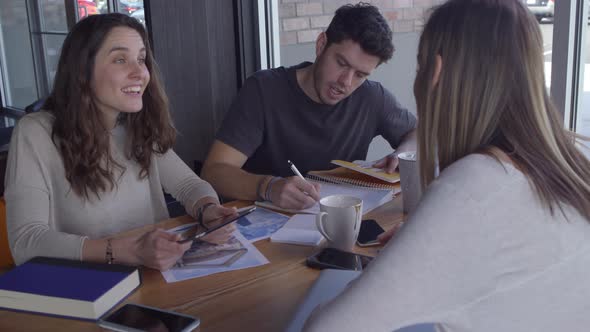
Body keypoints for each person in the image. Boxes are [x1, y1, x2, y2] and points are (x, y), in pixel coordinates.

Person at [303, 0, 590, 331]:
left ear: (435, 72)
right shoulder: (569, 163)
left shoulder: (475, 185)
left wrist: (421, 247)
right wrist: (422, 245)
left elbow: (327, 328)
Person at [5, 13, 237, 271]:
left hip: (153, 278)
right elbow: (26, 243)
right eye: (120, 60)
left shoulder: (136, 124)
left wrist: (208, 209)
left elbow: (187, 184)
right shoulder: (35, 132)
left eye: (141, 59)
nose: (140, 72)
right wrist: (124, 251)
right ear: (82, 70)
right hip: (90, 290)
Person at [201, 3, 417, 210]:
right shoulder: (264, 89)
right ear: (321, 44)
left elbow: (418, 133)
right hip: (264, 230)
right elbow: (214, 172)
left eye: (360, 75)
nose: (346, 82)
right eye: (342, 64)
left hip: (334, 226)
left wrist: (404, 153)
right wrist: (268, 187)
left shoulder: (371, 97)